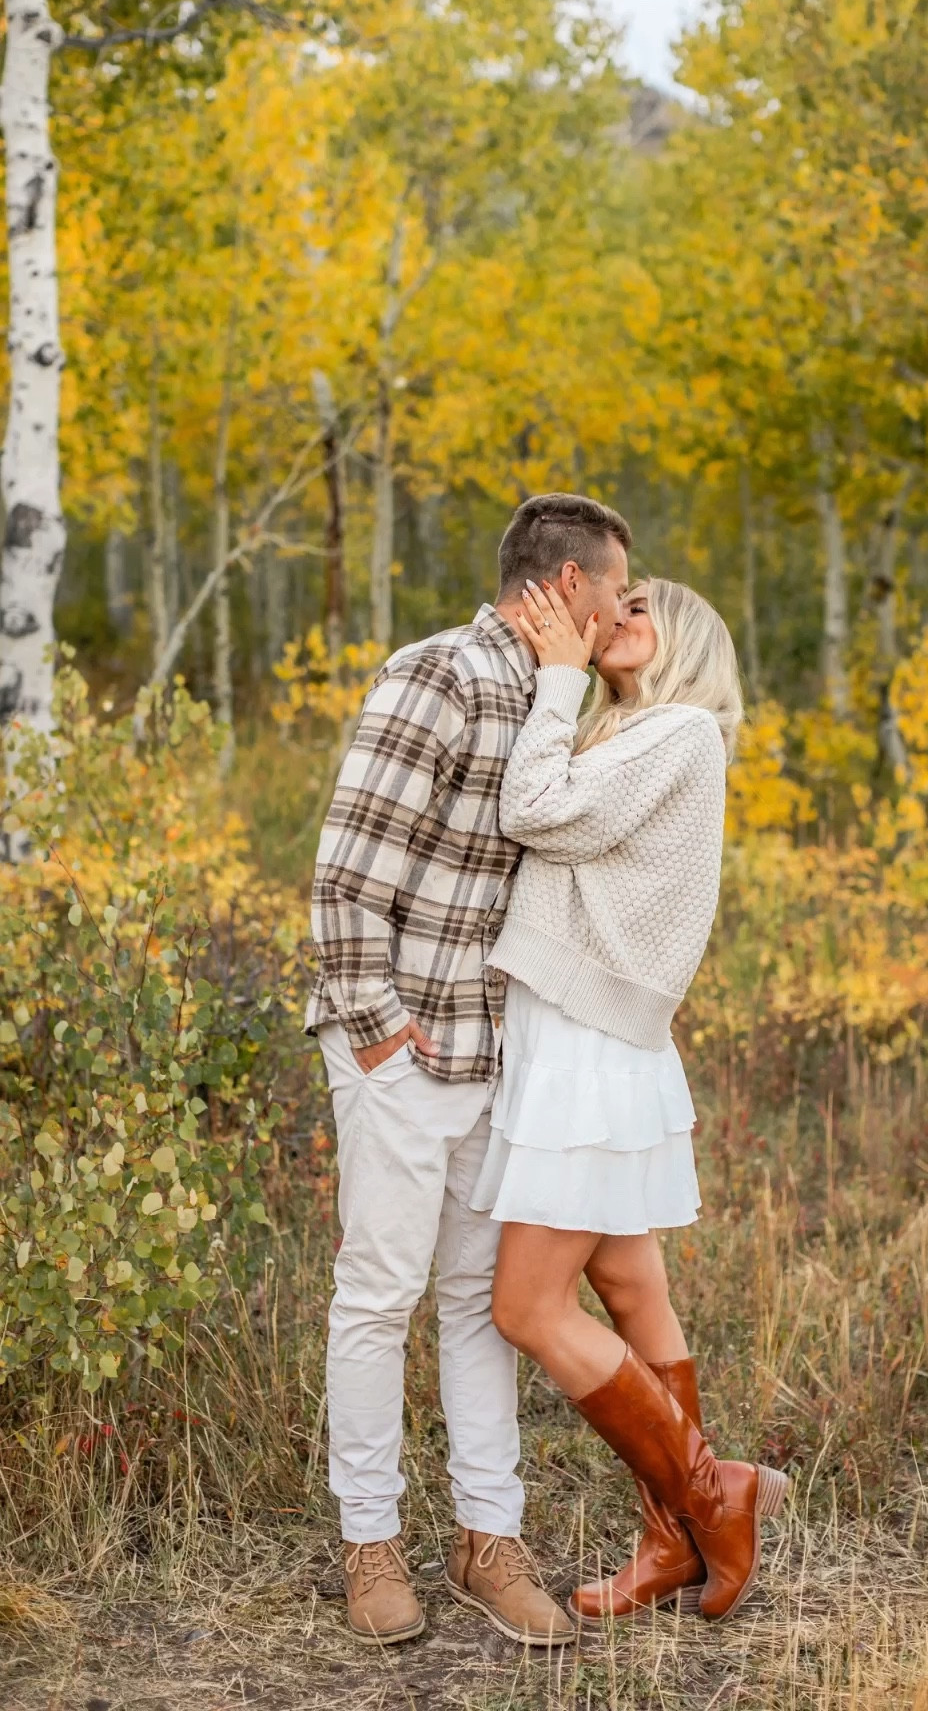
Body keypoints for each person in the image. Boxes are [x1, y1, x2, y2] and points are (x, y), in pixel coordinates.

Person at [306, 492, 631, 1647]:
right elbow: (346, 874)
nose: (620, 612)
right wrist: (381, 1033)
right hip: (404, 1043)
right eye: (615, 590)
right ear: (568, 585)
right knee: (378, 1295)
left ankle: (487, 1539)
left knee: (480, 1306)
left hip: (501, 1058)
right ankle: (371, 1544)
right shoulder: (440, 673)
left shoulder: (559, 697)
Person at [471, 575, 789, 1626]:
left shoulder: (679, 731)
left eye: (641, 607)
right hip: (580, 1034)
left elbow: (535, 811)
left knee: (526, 1309)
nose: (616, 615)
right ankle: (671, 1540)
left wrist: (559, 677)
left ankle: (711, 1495)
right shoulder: (630, 734)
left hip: (589, 1046)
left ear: (685, 642)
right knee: (628, 1284)